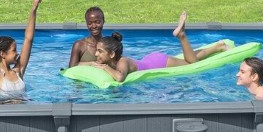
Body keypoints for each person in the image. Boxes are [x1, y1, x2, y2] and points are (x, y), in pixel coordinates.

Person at [90, 14, 232, 82]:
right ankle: (218, 46)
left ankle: (182, 36)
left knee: (192, 63)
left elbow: (120, 77)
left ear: (112, 54)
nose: (96, 54)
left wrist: (105, 68)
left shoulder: (122, 61)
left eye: (100, 51)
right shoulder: (113, 61)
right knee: (189, 59)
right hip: (150, 59)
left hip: (158, 63)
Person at [0, 0, 42, 99]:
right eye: (14, 50)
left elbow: (28, 40)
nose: (17, 53)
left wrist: (34, 9)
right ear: (3, 54)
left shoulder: (18, 71)